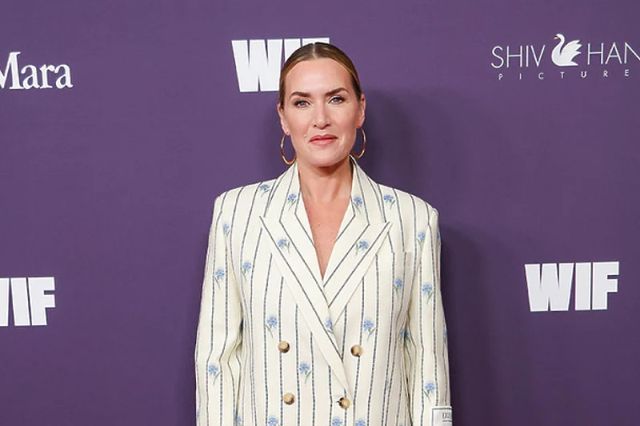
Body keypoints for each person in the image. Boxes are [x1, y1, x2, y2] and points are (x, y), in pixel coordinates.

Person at [195, 42, 452, 426]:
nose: (320, 119)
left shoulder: (412, 219)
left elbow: (427, 360)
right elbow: (216, 358)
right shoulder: (237, 213)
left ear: (360, 109)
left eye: (336, 99)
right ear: (283, 118)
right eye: (302, 103)